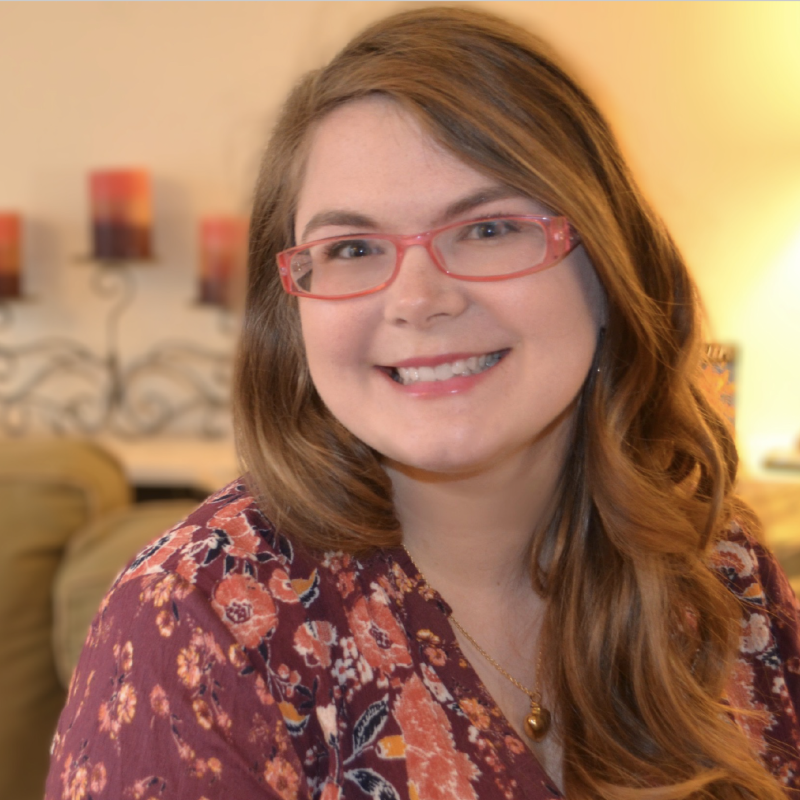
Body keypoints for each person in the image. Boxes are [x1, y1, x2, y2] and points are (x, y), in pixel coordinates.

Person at [45, 7, 800, 800]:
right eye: (353, 248)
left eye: (487, 229)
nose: (418, 299)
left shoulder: (722, 574)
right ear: (294, 309)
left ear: (608, 266)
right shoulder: (199, 624)